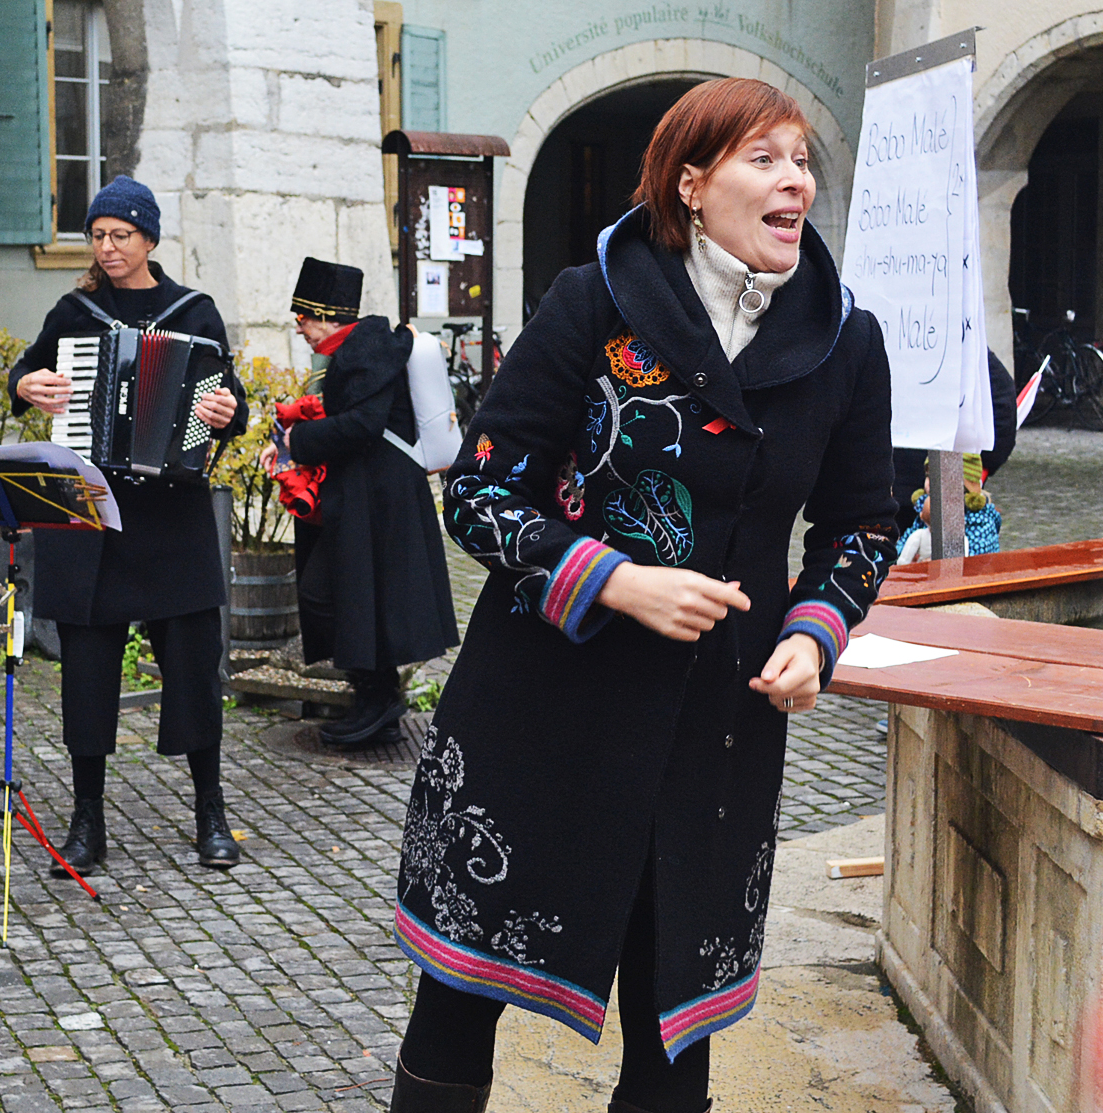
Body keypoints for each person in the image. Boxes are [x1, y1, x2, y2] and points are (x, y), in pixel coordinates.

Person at [388, 79, 899, 1113]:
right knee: (457, 997)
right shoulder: (593, 301)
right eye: (763, 157)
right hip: (538, 710)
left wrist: (813, 634)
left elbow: (865, 523)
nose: (793, 177)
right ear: (691, 181)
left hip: (715, 728)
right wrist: (612, 579)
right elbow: (479, 489)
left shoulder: (846, 340)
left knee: (675, 1034)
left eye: (800, 158)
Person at [8, 174, 247, 874]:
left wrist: (226, 413)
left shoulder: (193, 311)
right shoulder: (75, 311)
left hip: (171, 519)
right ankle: (87, 823)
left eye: (120, 236)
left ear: (149, 239)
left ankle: (211, 811)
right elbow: (26, 372)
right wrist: (26, 386)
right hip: (89, 516)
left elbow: (225, 395)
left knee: (194, 672)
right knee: (87, 675)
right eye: (99, 236)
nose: (107, 248)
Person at [264, 258, 458, 748]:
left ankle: (378, 700)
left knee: (347, 594)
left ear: (325, 315)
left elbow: (364, 425)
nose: (300, 328)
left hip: (379, 497)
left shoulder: (364, 348)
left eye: (303, 318)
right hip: (368, 495)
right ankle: (376, 700)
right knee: (357, 595)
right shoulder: (356, 349)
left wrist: (298, 441)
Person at [891, 349, 1016, 535]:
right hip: (886, 490)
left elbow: (1002, 406)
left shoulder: (956, 340)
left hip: (938, 491)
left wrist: (972, 470)